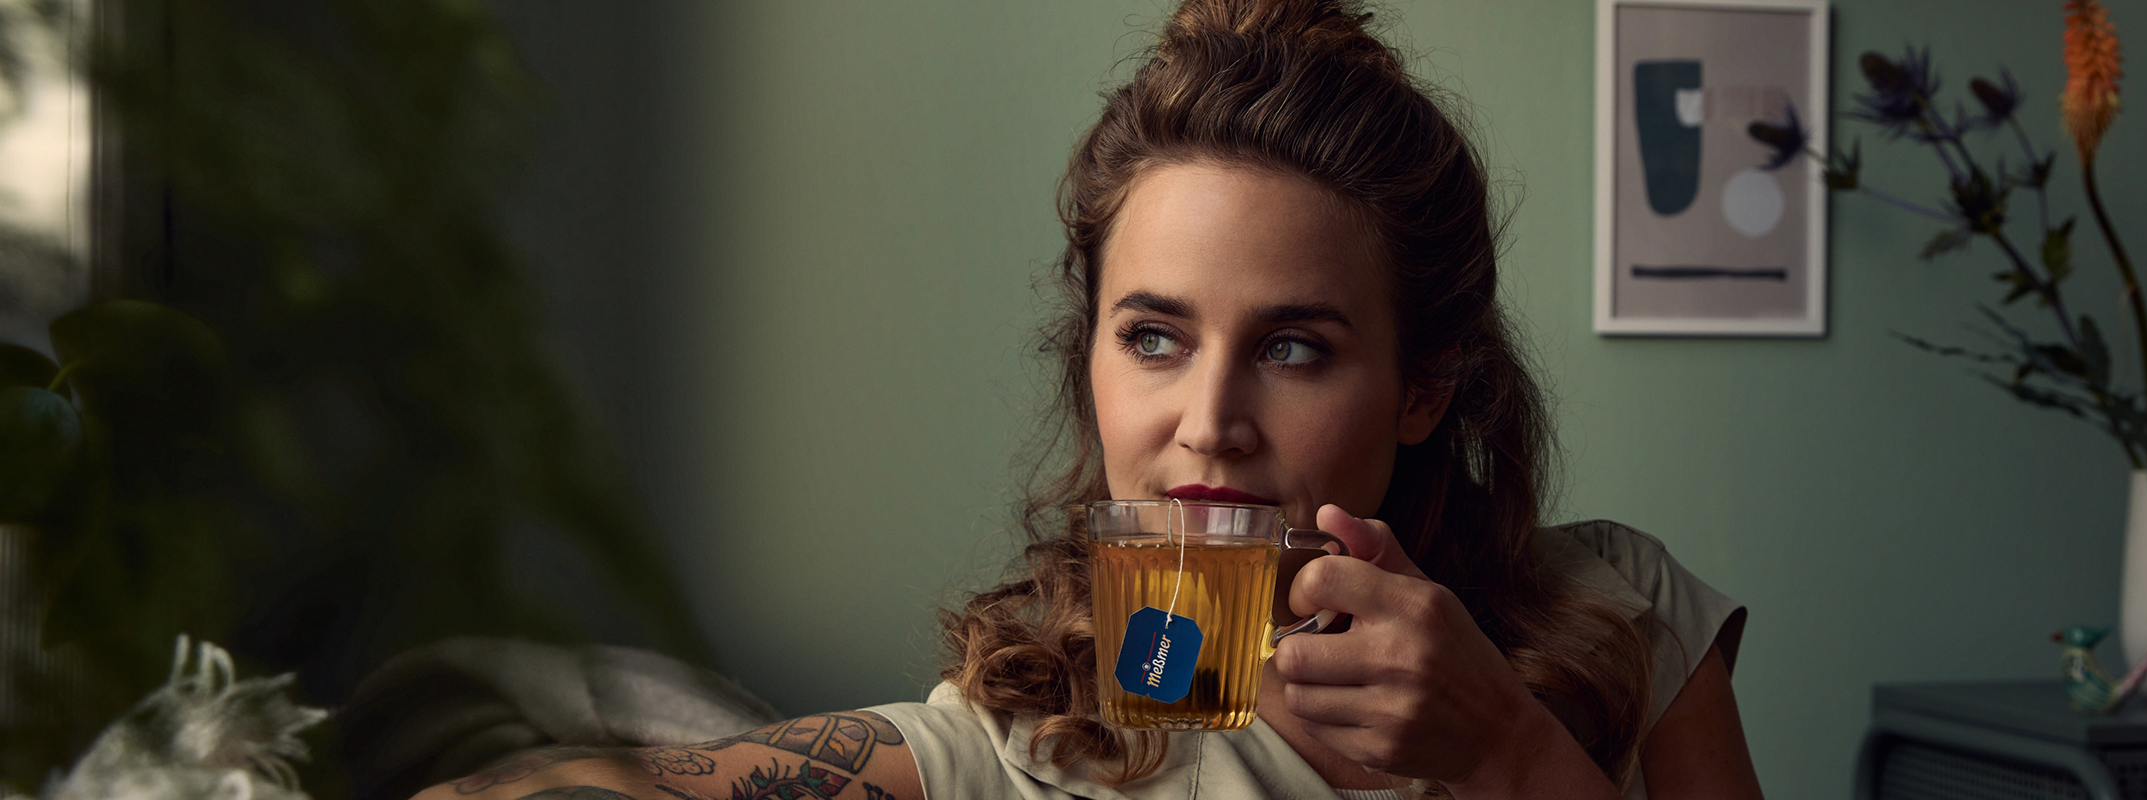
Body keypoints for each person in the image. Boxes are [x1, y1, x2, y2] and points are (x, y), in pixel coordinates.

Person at [416, 1, 1758, 798]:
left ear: (1424, 390)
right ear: (1094, 365)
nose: (1207, 420)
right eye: (1156, 338)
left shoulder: (1618, 618)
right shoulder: (1028, 742)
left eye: (1294, 348)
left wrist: (1510, 750)